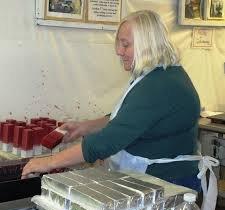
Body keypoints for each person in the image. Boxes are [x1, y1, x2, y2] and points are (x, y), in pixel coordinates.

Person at [22, 10, 201, 191]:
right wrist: (85, 127)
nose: (118, 51)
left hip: (169, 182)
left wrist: (48, 162)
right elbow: (128, 118)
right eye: (118, 43)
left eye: (125, 45)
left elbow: (105, 142)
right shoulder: (158, 74)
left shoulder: (160, 85)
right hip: (154, 178)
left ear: (148, 44)